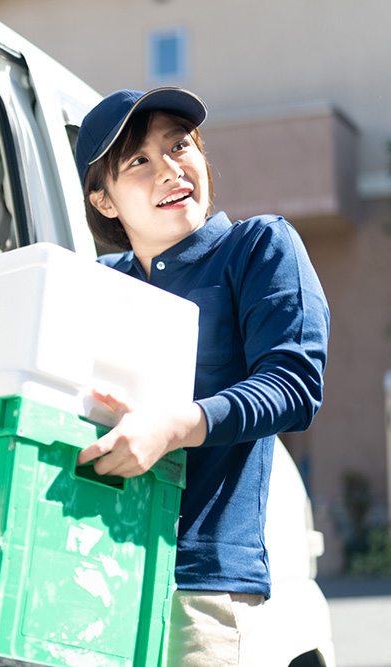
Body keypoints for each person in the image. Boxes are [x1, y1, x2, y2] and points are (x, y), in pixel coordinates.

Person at [72, 88, 329, 666]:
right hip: (86, 566)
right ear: (104, 201)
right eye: (138, 161)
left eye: (179, 145)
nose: (169, 169)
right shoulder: (94, 284)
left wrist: (173, 426)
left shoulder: (257, 247)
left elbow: (294, 384)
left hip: (199, 585)